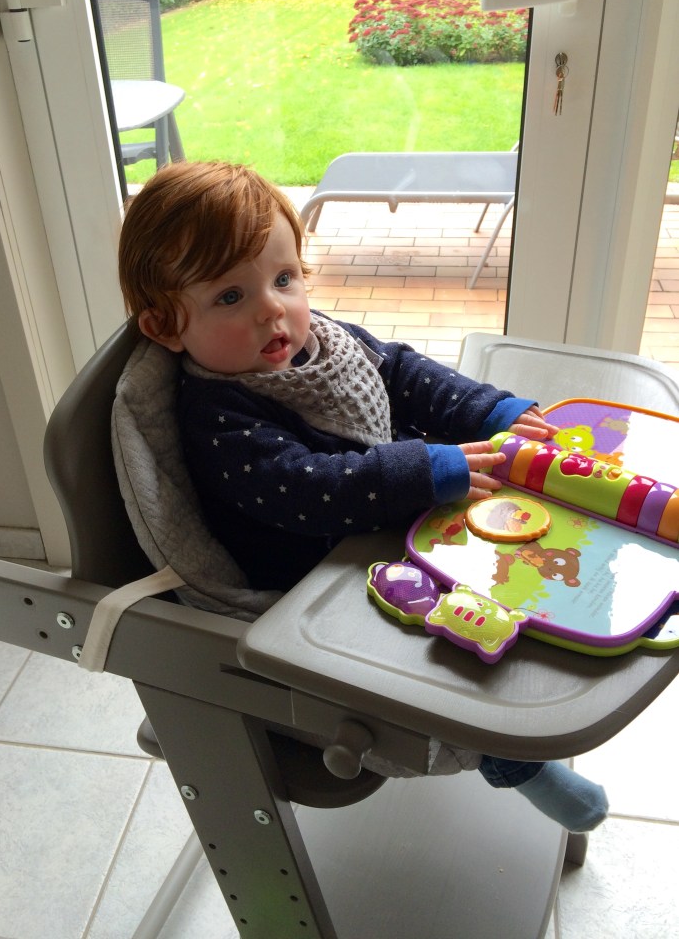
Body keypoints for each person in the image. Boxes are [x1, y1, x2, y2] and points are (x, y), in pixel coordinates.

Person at [118, 159, 608, 833]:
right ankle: (511, 759)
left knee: (527, 551)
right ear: (165, 328)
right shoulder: (220, 419)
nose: (272, 308)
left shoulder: (310, 342)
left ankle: (549, 651)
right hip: (323, 580)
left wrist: (490, 412)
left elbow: (402, 372)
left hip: (380, 526)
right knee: (456, 643)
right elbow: (314, 489)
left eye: (283, 279)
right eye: (229, 297)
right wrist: (424, 471)